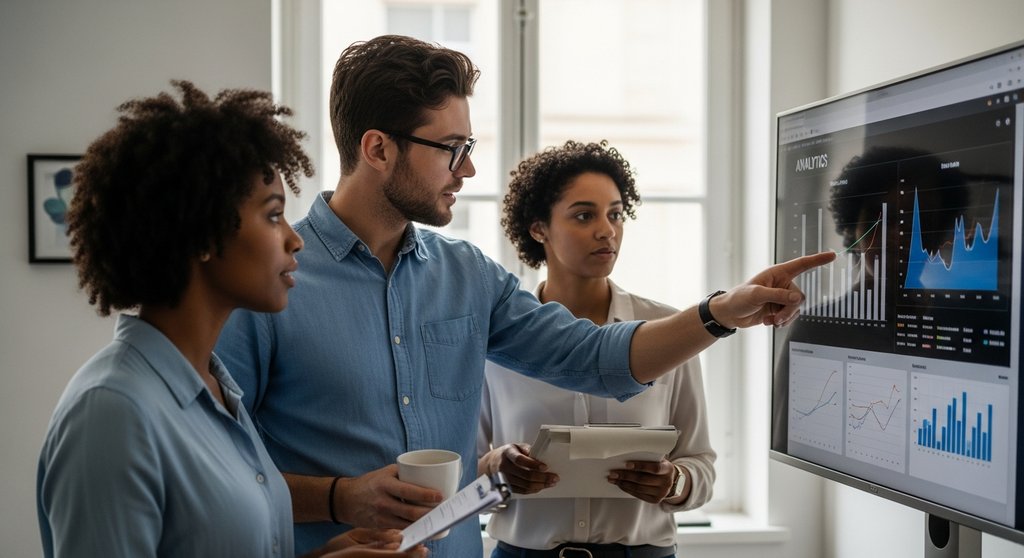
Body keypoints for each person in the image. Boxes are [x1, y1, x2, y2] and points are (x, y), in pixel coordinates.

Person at [214, 34, 834, 557]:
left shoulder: (470, 278)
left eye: (470, 148)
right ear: (377, 148)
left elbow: (596, 358)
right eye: (451, 149)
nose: (468, 170)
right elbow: (213, 470)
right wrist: (336, 497)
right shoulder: (269, 281)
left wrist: (719, 313)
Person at [35, 80, 425, 558]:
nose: (294, 240)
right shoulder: (112, 412)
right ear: (203, 234)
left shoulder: (221, 395)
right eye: (273, 215)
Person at [477, 140, 715, 558]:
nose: (607, 230)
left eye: (616, 214)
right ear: (539, 229)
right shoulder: (497, 338)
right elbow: (463, 478)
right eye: (584, 215)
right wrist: (496, 470)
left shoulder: (669, 331)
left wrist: (673, 482)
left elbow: (701, 467)